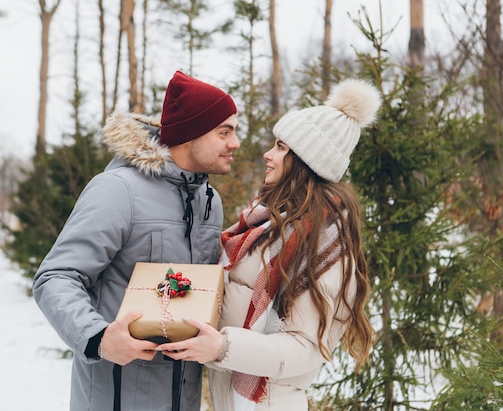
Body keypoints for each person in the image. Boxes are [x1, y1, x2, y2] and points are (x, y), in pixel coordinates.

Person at [160, 78, 380, 410]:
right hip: (230, 398)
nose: (268, 153)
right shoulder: (267, 223)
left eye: (280, 147)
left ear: (305, 161)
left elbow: (306, 348)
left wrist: (222, 347)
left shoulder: (324, 242)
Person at [33, 70, 240, 411]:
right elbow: (56, 277)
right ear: (191, 134)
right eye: (224, 132)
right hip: (116, 395)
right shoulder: (118, 190)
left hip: (182, 397)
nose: (234, 143)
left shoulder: (208, 201)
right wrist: (98, 338)